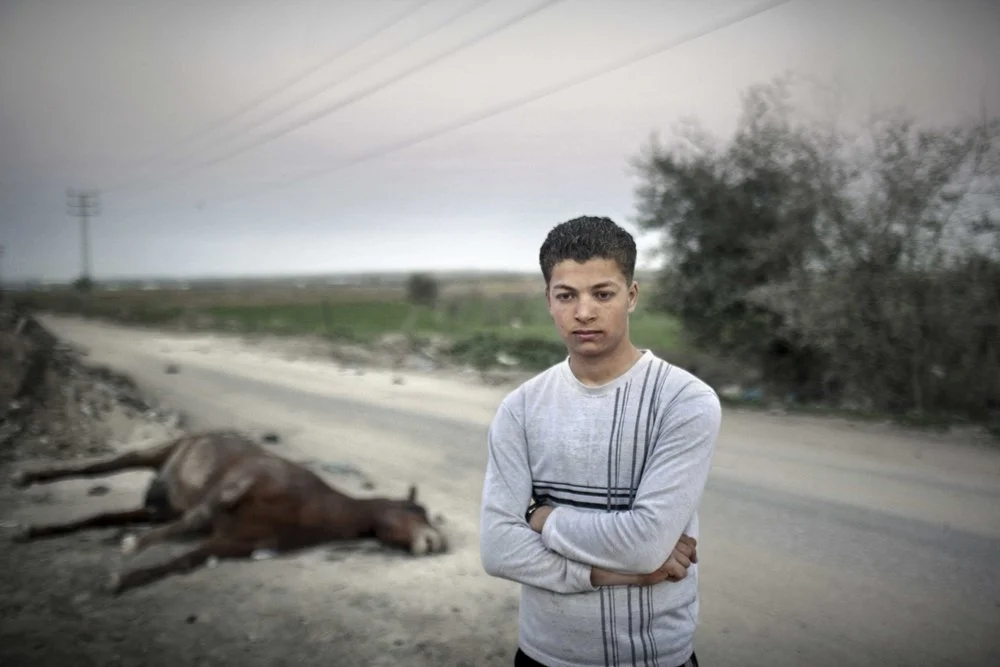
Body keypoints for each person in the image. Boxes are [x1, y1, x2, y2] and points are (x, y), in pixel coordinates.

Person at [479, 216, 722, 667]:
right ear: (548, 300)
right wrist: (617, 574)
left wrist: (542, 517)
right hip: (545, 655)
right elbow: (498, 549)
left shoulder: (684, 401)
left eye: (603, 294)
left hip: (655, 658)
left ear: (632, 296)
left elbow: (645, 544)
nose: (584, 312)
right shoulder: (521, 408)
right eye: (566, 295)